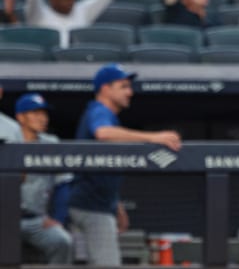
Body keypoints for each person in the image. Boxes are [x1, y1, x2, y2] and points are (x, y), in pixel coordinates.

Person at [68, 63, 182, 266]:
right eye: (123, 86)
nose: (130, 92)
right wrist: (154, 137)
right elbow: (102, 133)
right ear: (105, 88)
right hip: (92, 206)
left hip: (96, 203)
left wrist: (117, 206)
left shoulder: (106, 115)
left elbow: (104, 169)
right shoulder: (99, 110)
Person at [15, 93, 73, 265]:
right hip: (5, 219)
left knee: (62, 241)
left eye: (44, 113)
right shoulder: (7, 142)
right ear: (21, 118)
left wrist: (58, 219)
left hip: (36, 220)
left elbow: (64, 183)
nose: (42, 118)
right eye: (35, 113)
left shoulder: (51, 143)